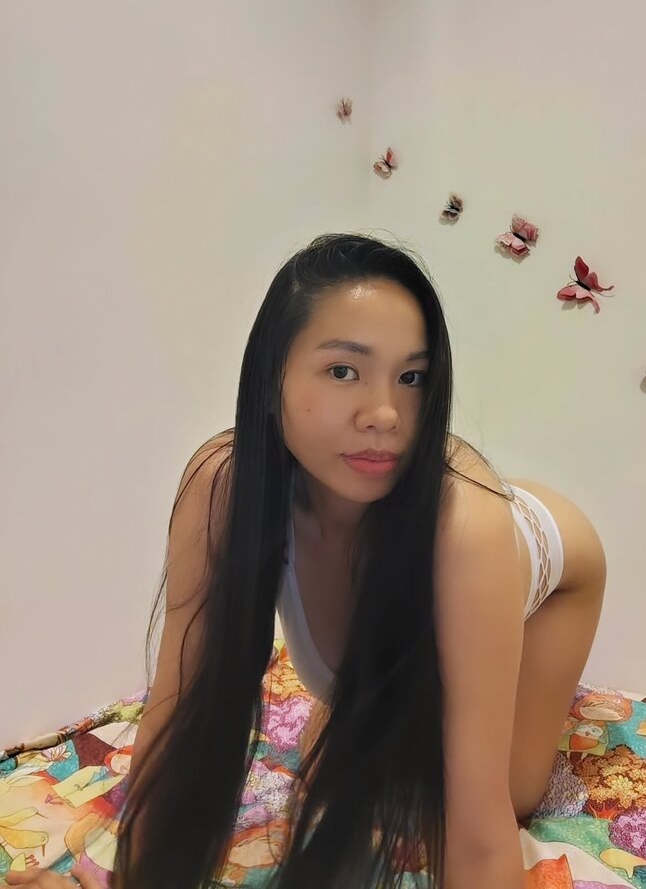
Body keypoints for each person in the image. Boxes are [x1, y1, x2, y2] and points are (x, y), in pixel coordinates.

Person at [18, 232, 606, 888]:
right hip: (442, 545)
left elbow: (479, 837)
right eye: (343, 371)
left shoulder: (466, 529)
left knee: (486, 794)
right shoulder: (224, 484)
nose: (385, 414)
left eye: (412, 377)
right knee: (336, 760)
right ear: (273, 378)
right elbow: (181, 713)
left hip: (543, 570)